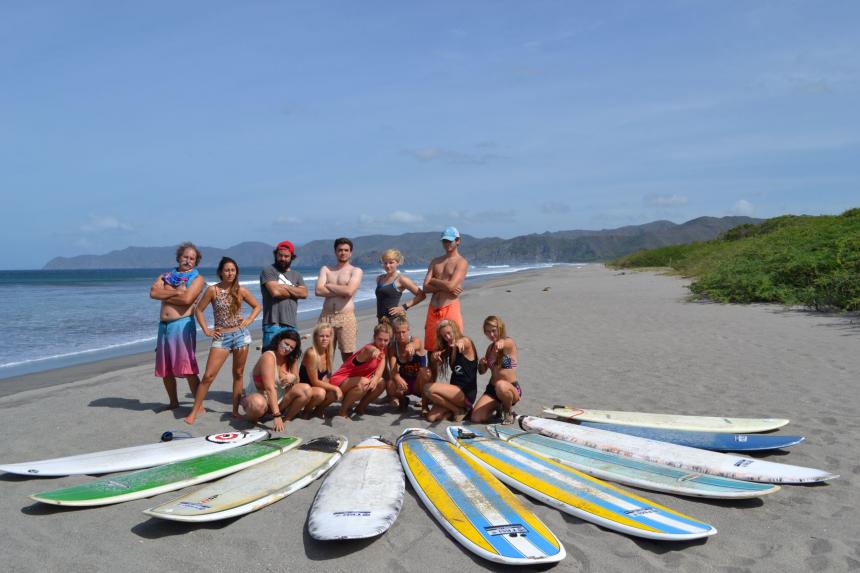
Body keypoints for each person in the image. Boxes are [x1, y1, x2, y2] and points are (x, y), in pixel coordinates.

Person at [184, 257, 262, 424]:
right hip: (222, 337)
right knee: (208, 376)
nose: (230, 273)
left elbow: (257, 306)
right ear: (220, 272)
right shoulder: (213, 290)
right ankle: (194, 411)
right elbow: (199, 310)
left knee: (238, 374)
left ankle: (235, 411)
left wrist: (249, 320)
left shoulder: (241, 290)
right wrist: (206, 330)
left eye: (233, 270)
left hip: (241, 336)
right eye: (227, 270)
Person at [149, 242, 206, 409]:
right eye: (185, 257)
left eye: (192, 259)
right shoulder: (166, 276)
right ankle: (173, 402)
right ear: (179, 257)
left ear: (196, 262)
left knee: (187, 366)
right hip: (164, 327)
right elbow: (153, 292)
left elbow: (187, 300)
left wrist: (164, 295)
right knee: (165, 368)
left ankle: (198, 405)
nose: (188, 261)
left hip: (182, 325)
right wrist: (176, 291)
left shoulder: (197, 278)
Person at [239, 330, 322, 432]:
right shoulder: (268, 356)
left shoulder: (291, 358)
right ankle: (252, 419)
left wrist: (293, 378)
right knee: (257, 404)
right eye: (286, 344)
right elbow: (269, 389)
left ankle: (286, 419)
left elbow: (297, 381)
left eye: (291, 347)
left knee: (306, 389)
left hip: (279, 399)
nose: (287, 349)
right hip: (260, 399)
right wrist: (276, 415)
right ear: (279, 341)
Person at [328, 322, 391, 418]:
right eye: (380, 339)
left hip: (355, 381)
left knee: (381, 382)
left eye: (386, 340)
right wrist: (375, 352)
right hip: (341, 380)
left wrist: (375, 379)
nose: (383, 343)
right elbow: (370, 350)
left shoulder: (383, 350)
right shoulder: (368, 349)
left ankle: (360, 407)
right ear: (374, 338)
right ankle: (342, 411)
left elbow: (379, 372)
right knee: (364, 382)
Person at [315, 238, 363, 362]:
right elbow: (318, 291)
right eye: (340, 250)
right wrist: (342, 289)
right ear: (335, 252)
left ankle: (345, 381)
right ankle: (325, 381)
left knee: (347, 355)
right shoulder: (326, 269)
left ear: (351, 253)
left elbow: (349, 291)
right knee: (324, 355)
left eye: (346, 250)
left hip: (346, 316)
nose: (343, 253)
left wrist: (329, 285)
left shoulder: (356, 271)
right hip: (326, 317)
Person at [422, 227, 468, 352]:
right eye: (444, 241)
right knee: (432, 350)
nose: (447, 244)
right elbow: (425, 287)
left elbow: (451, 286)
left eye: (450, 241)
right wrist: (446, 287)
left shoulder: (461, 262)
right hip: (433, 309)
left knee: (455, 347)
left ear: (457, 241)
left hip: (450, 307)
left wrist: (433, 280)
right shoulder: (436, 261)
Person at [470, 315, 522, 425]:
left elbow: (506, 343)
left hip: (509, 388)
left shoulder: (508, 343)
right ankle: (497, 406)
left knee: (501, 385)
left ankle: (508, 412)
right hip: (492, 390)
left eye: (494, 330)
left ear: (500, 328)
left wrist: (502, 342)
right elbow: (482, 372)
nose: (491, 334)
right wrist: (482, 365)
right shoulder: (490, 349)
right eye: (487, 332)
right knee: (476, 418)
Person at [424, 319, 478, 422]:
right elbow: (433, 363)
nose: (448, 337)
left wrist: (460, 343)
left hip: (465, 393)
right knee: (431, 417)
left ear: (455, 330)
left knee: (428, 388)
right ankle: (459, 410)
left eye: (449, 333)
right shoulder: (448, 348)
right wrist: (434, 357)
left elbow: (464, 342)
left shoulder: (466, 342)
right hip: (453, 392)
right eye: (444, 336)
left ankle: (458, 410)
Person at [259, 240, 307, 348]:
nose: (283, 259)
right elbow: (275, 292)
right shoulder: (268, 271)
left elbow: (304, 293)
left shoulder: (297, 275)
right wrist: (295, 290)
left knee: (290, 360)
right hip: (273, 324)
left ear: (292, 257)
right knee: (270, 359)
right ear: (276, 255)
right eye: (280, 255)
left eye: (286, 256)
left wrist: (284, 287)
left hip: (292, 325)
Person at [385, 315, 431, 411]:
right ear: (394, 332)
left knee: (425, 372)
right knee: (390, 384)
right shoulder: (393, 348)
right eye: (397, 332)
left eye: (403, 332)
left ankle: (425, 404)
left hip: (419, 383)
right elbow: (393, 370)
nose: (401, 335)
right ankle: (403, 400)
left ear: (408, 330)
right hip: (405, 383)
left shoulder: (416, 341)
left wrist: (411, 346)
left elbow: (416, 344)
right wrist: (398, 378)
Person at [300, 323, 340, 418]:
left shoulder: (328, 351)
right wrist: (335, 388)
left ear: (331, 338)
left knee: (334, 392)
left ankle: (318, 410)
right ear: (315, 337)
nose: (324, 339)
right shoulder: (311, 353)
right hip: (306, 389)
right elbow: (314, 381)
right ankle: (305, 412)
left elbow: (327, 375)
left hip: (317, 386)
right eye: (321, 336)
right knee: (322, 393)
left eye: (327, 336)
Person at [375, 249, 425, 323]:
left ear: (397, 263)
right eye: (385, 263)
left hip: (394, 320)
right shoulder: (379, 278)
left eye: (391, 263)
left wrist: (403, 307)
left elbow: (421, 295)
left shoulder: (401, 279)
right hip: (381, 321)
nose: (387, 265)